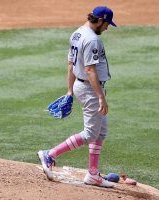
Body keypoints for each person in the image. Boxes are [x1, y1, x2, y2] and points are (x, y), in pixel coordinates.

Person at [38, 6, 117, 188]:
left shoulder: (77, 34)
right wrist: (100, 97)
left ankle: (93, 174)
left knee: (101, 132)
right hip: (90, 89)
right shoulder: (92, 40)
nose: (107, 28)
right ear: (99, 20)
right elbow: (90, 69)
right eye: (106, 24)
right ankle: (50, 154)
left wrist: (69, 90)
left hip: (82, 85)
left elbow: (71, 63)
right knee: (90, 133)